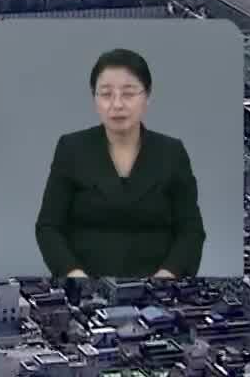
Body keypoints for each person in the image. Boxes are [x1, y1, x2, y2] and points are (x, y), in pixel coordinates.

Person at [35, 47, 205, 280]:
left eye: (128, 94)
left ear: (147, 96)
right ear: (94, 98)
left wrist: (167, 277)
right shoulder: (71, 149)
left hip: (158, 288)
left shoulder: (172, 153)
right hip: (86, 286)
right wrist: (74, 276)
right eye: (106, 94)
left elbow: (191, 231)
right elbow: (49, 227)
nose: (117, 105)